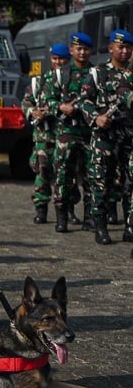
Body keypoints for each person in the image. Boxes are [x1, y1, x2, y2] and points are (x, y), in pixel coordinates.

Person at [80, 29, 133, 244]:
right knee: (102, 182)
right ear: (111, 48)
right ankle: (100, 226)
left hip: (129, 135)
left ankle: (130, 226)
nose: (124, 51)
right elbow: (84, 100)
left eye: (128, 47)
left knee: (130, 184)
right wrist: (96, 117)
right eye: (120, 47)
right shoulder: (98, 73)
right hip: (105, 137)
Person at [43, 32, 95, 233]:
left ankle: (91, 217)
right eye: (78, 49)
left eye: (86, 49)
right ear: (72, 50)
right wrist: (60, 107)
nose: (82, 52)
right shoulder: (61, 74)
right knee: (63, 175)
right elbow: (48, 98)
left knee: (91, 176)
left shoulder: (96, 73)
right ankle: (62, 217)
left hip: (90, 133)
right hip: (67, 132)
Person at [22, 43, 70, 224]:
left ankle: (67, 210)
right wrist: (33, 112)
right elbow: (26, 102)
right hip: (44, 137)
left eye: (63, 59)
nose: (59, 62)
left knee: (66, 177)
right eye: (55, 59)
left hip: (66, 136)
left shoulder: (72, 81)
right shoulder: (40, 81)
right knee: (42, 173)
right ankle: (41, 209)